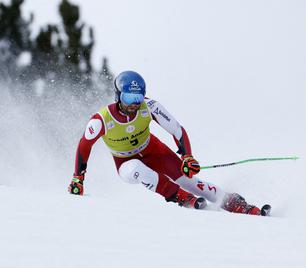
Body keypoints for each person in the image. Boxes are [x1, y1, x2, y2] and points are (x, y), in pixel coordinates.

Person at [68, 70, 266, 215]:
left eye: (138, 97)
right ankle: (179, 197)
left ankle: (235, 203)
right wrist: (78, 178)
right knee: (138, 169)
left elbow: (178, 131)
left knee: (193, 182)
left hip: (154, 151)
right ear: (119, 96)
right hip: (125, 162)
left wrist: (187, 156)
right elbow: (84, 145)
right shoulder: (102, 119)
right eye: (129, 97)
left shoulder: (150, 106)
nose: (134, 103)